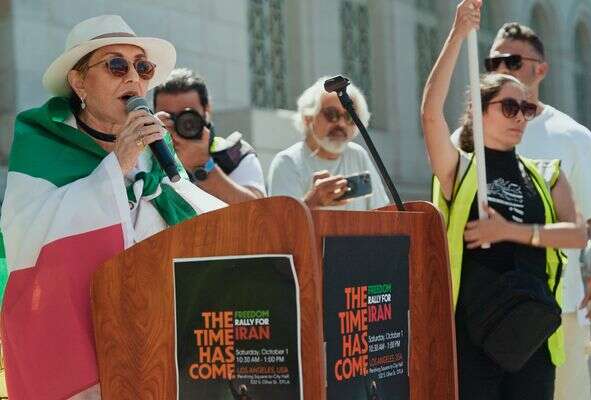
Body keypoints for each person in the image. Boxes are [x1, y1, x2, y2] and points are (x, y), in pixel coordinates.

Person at [0, 15, 225, 400]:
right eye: (116, 65)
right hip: (78, 343)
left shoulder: (156, 148)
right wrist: (116, 166)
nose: (133, 77)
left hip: (155, 338)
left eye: (142, 67)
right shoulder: (42, 141)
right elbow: (28, 238)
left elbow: (187, 216)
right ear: (78, 82)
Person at [422, 1, 587, 399]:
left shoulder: (546, 173)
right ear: (479, 112)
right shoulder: (461, 169)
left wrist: (508, 231)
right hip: (471, 340)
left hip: (531, 337)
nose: (519, 117)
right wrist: (458, 34)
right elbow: (430, 114)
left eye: (526, 108)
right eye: (509, 107)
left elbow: (577, 234)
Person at [267, 77, 389, 210]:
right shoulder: (287, 162)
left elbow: (383, 213)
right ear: (308, 118)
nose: (341, 124)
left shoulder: (358, 155)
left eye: (349, 116)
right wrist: (310, 203)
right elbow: (281, 221)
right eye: (332, 114)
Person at [154, 68, 266, 204]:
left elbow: (259, 210)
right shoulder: (142, 158)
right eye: (169, 117)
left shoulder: (234, 155)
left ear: (206, 109)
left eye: (188, 116)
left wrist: (202, 166)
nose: (180, 124)